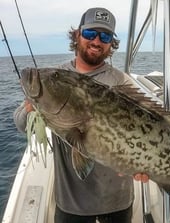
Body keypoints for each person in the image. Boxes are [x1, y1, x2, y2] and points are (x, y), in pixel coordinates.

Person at [14, 7, 148, 223]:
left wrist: (143, 165)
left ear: (111, 43)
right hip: (71, 203)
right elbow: (21, 123)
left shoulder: (121, 82)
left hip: (118, 200)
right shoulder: (53, 77)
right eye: (89, 34)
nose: (96, 41)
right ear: (77, 35)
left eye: (105, 36)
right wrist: (33, 106)